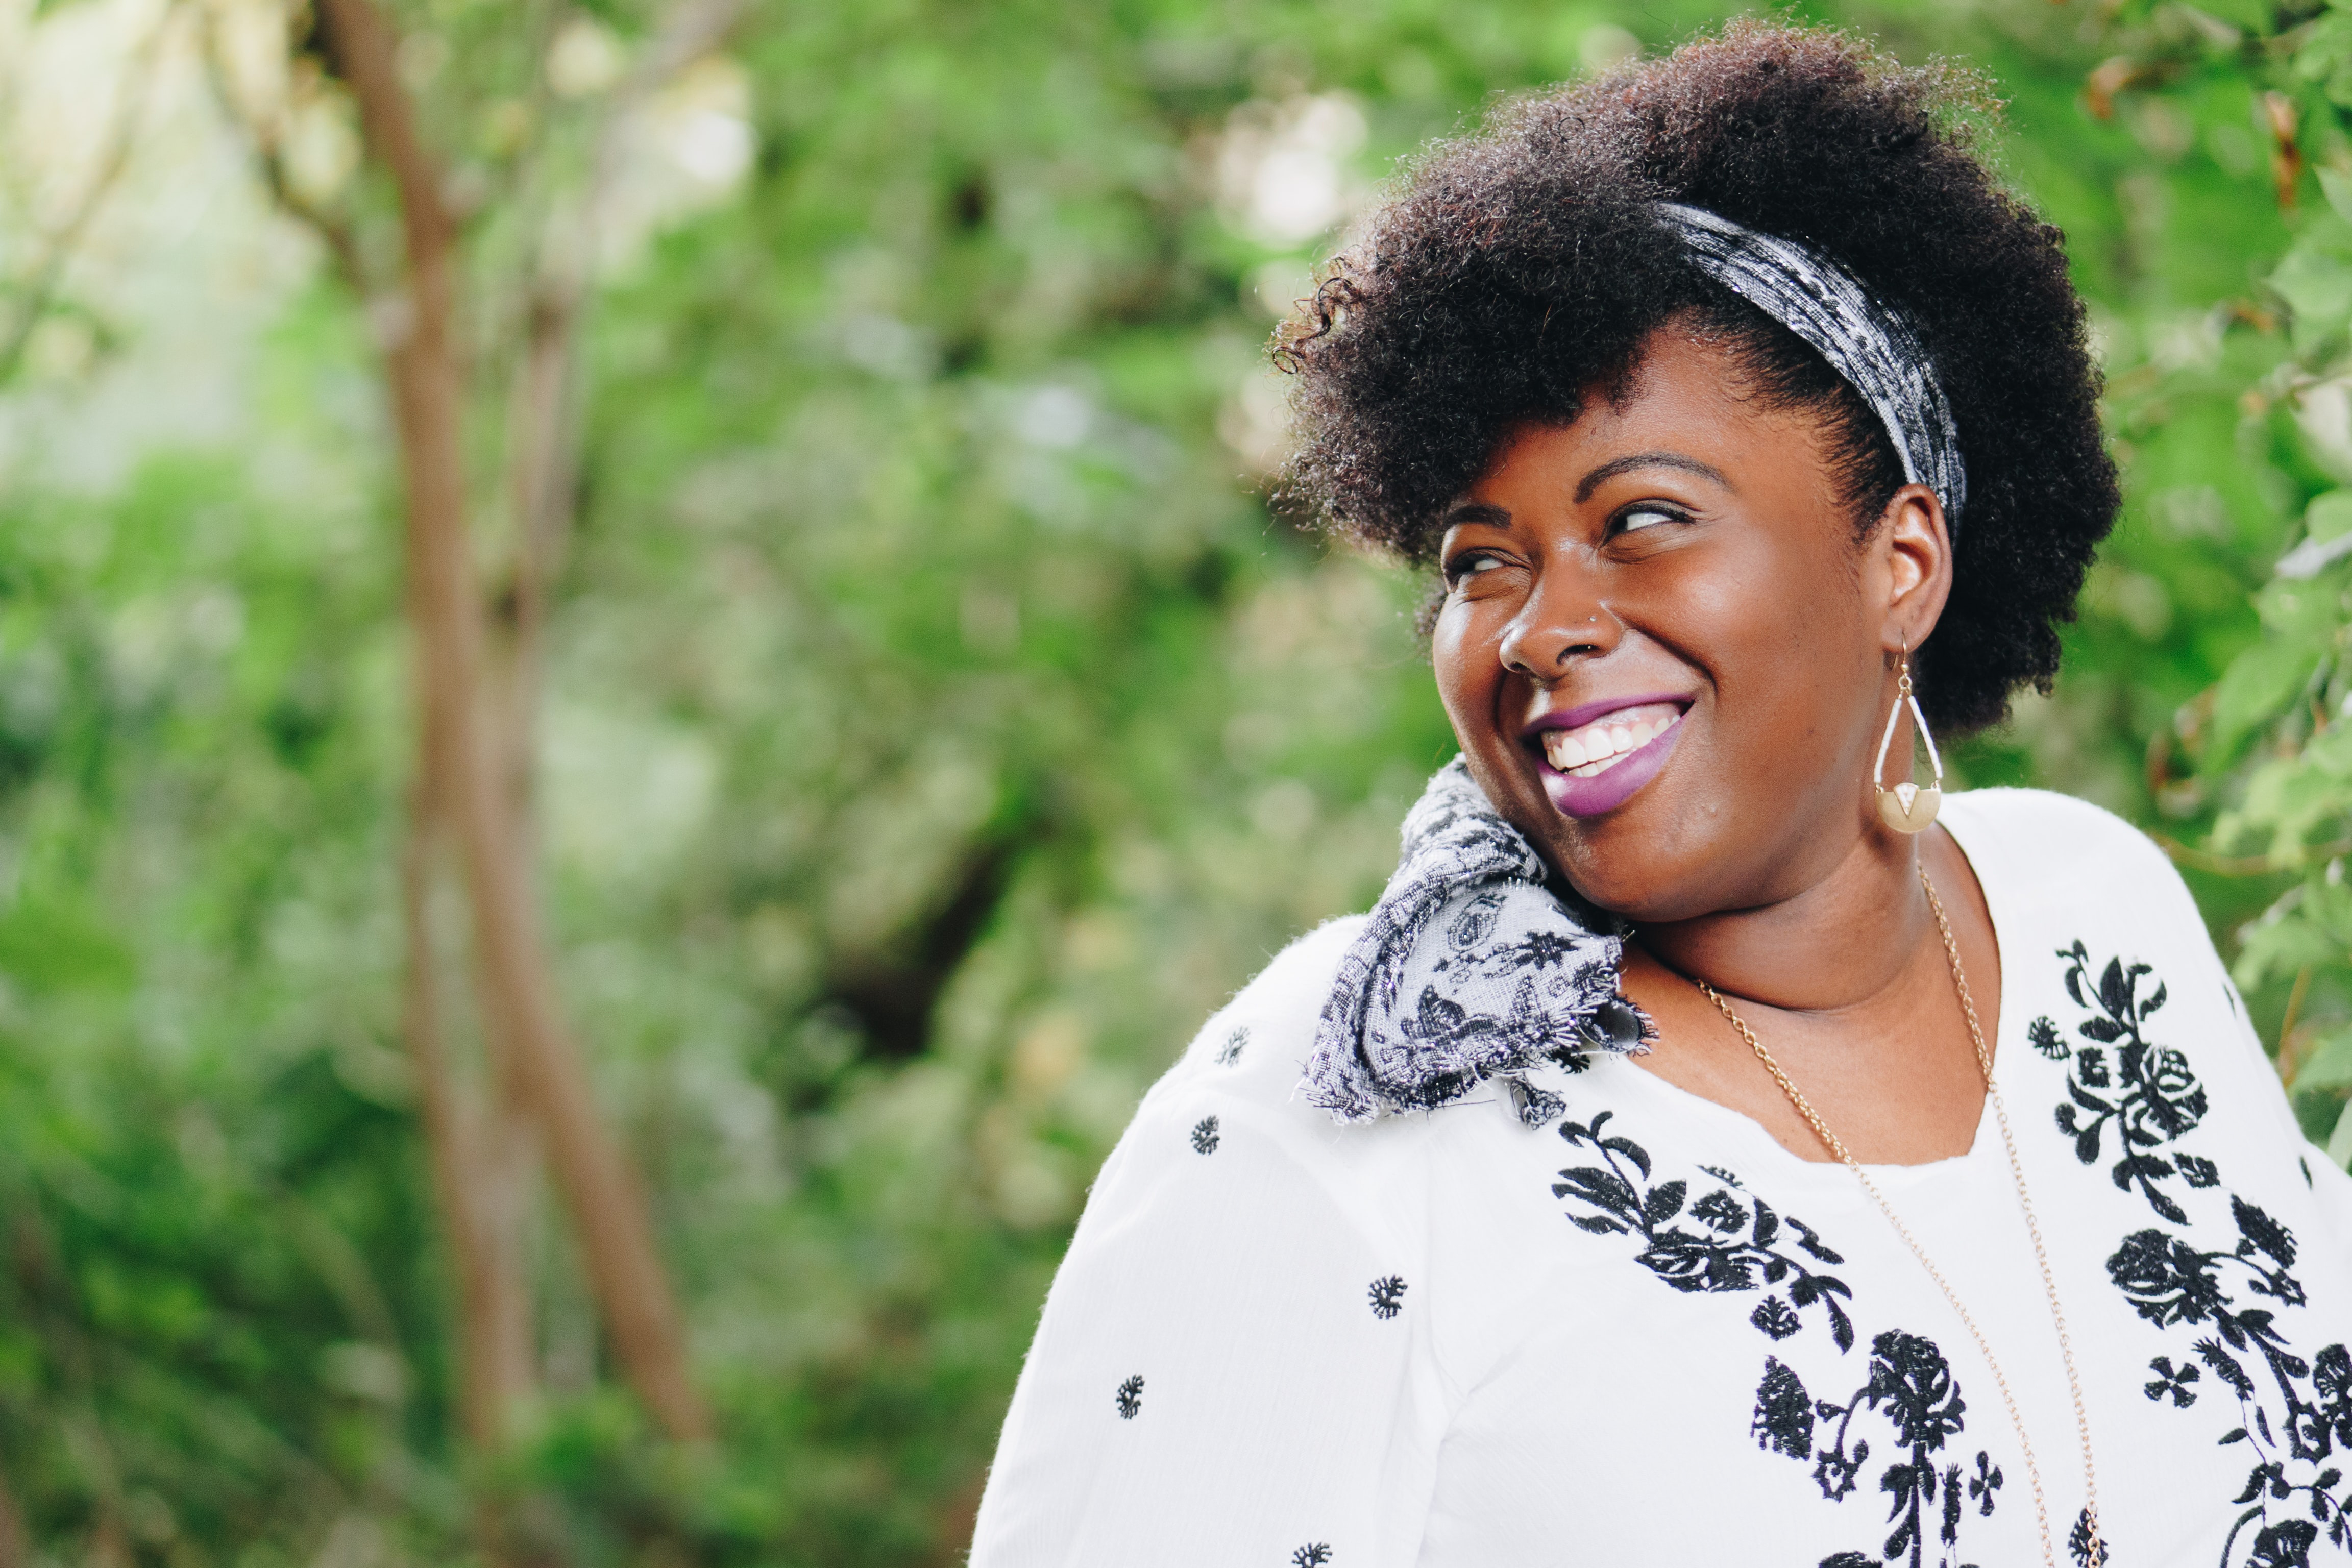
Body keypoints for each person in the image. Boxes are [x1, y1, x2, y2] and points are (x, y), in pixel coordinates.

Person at [967, 23, 2352, 1567]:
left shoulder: (2098, 914)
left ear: (1902, 563)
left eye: (1641, 520)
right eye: (1482, 562)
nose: (1539, 626)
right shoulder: (1343, 1105)